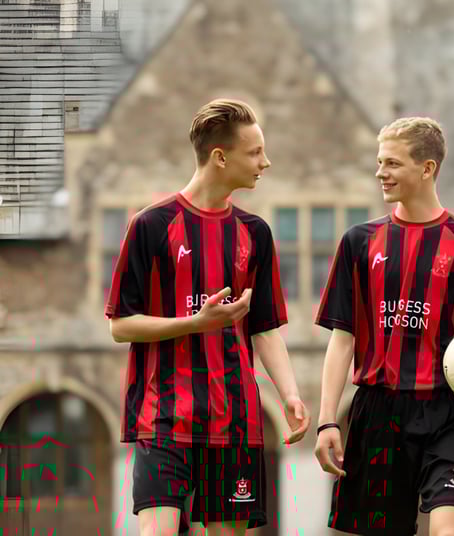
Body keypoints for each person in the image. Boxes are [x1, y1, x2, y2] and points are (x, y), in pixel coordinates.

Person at [106, 98, 310, 536]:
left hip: (234, 419)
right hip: (162, 416)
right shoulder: (150, 225)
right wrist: (195, 323)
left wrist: (290, 394)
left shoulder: (256, 233)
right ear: (220, 157)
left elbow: (265, 329)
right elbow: (120, 326)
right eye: (255, 152)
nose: (265, 162)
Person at [313, 117, 454, 536]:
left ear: (427, 168)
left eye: (392, 163)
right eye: (379, 162)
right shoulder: (358, 241)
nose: (380, 172)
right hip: (378, 411)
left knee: (448, 530)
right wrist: (327, 420)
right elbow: (343, 339)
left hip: (451, 410)